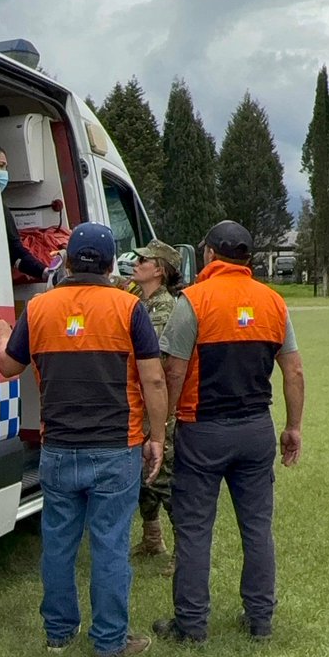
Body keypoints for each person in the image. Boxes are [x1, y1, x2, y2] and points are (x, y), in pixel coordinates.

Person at [0, 222, 168, 657]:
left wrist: (1, 333)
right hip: (116, 448)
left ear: (67, 263)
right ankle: (109, 642)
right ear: (109, 267)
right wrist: (158, 436)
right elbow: (153, 379)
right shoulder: (130, 308)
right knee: (109, 545)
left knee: (58, 544)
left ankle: (58, 634)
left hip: (57, 448)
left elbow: (8, 367)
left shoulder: (39, 308)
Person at [153, 220, 304, 644]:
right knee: (257, 528)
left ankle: (191, 625)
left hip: (203, 429)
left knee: (195, 528)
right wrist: (293, 427)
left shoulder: (194, 300)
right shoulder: (273, 302)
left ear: (209, 254)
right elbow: (293, 370)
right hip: (256, 428)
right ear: (247, 258)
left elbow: (174, 370)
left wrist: (163, 424)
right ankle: (260, 618)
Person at [130, 240, 183, 573]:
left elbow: (158, 362)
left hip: (157, 404)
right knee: (143, 477)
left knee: (164, 477)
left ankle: (183, 551)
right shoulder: (138, 301)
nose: (137, 263)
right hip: (139, 401)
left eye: (144, 260)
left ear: (159, 270)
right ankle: (152, 538)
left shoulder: (165, 308)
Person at [0, 146, 50, 282]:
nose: (4, 173)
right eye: (0, 166)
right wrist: (45, 272)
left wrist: (43, 271)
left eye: (6, 168)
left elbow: (15, 254)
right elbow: (16, 251)